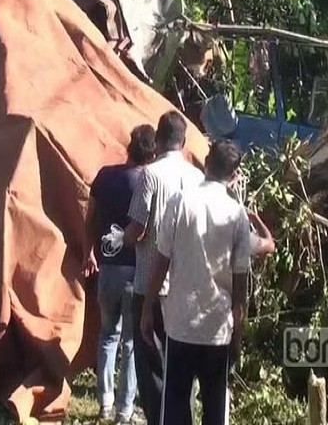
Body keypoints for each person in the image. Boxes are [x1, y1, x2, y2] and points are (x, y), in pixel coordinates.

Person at [141, 140, 251, 425]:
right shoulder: (237, 214)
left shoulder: (179, 202)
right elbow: (241, 285)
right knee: (215, 405)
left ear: (206, 163)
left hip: (180, 325)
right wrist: (238, 331)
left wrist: (147, 309)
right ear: (234, 174)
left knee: (176, 402)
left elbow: (160, 263)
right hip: (217, 329)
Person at [122, 111, 204, 425]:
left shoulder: (150, 175)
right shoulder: (198, 178)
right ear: (183, 142)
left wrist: (121, 237)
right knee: (181, 362)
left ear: (157, 140)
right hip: (186, 288)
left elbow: (138, 229)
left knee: (151, 364)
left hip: (149, 286)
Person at [83, 124, 157, 423]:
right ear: (152, 153)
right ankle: (125, 411)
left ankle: (104, 403)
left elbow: (89, 219)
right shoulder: (149, 182)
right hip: (136, 273)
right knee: (130, 342)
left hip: (107, 270)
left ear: (129, 147)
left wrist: (89, 252)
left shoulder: (105, 176)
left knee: (107, 336)